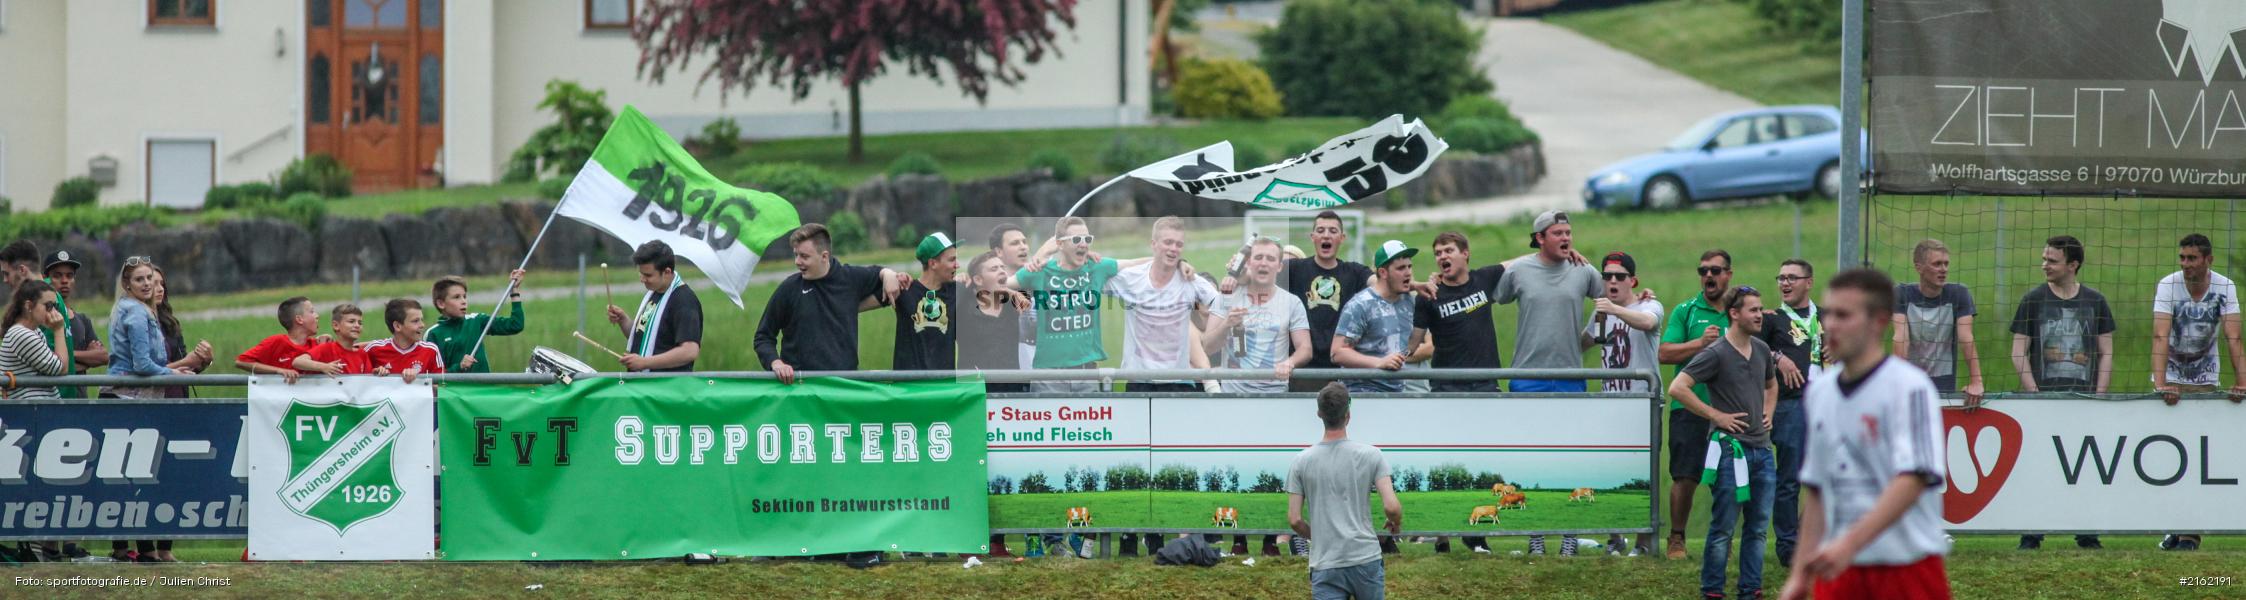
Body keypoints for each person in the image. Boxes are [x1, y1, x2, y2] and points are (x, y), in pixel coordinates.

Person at [1778, 268, 1952, 600]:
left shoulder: (1909, 387)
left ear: (1879, 321)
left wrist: (1849, 543)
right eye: (1828, 314)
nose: (1830, 325)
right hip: (1839, 569)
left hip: (1906, 569)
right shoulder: (1820, 392)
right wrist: (1799, 576)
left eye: (1843, 315)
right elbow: (1817, 488)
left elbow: (1913, 477)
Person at [1488, 211, 1603, 557]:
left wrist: (1587, 338)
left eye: (1569, 232)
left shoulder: (1584, 271)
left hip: (1570, 377)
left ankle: (1569, 534)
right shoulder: (1521, 271)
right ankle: (1536, 534)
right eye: (1558, 233)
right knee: (1532, 457)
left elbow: (1610, 300)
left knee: (1569, 457)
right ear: (1540, 238)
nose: (1566, 238)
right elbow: (1492, 294)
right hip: (1527, 378)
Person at [1669, 286, 1778, 600]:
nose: (1760, 315)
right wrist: (1715, 414)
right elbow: (1678, 387)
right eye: (1753, 310)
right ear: (1735, 314)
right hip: (1732, 452)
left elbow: (1771, 385)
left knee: (1757, 529)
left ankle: (1750, 590)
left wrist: (1768, 412)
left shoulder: (1760, 349)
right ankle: (1713, 591)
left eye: (1760, 309)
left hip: (1762, 450)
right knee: (1723, 528)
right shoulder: (1716, 352)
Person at [2007, 237, 2114, 552]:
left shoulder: (2095, 301)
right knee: (2038, 467)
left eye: (2052, 260)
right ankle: (2032, 532)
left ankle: (2086, 532)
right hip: (2042, 401)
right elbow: (2018, 352)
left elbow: (2106, 352)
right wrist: (2034, 394)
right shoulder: (2033, 300)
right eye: (2044, 258)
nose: (2045, 265)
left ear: (2073, 264)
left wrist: (2099, 395)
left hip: (2083, 401)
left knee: (2085, 467)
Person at [2150, 233, 2244, 552]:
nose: (2185, 264)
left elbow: (2233, 338)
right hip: (2172, 374)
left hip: (2204, 375)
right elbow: (2160, 334)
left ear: (2208, 260)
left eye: (2192, 258)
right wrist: (2161, 383)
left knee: (2195, 457)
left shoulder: (2225, 287)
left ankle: (2189, 534)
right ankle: (2175, 530)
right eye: (2182, 258)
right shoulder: (2168, 285)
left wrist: (2242, 382)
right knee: (2167, 458)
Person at [1286, 382, 1402, 600]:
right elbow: (1392, 507)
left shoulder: (1301, 461)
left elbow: (1294, 520)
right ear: (1348, 415)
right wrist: (1395, 522)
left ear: (1319, 414)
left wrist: (1318, 536)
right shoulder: (1372, 455)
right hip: (1365, 557)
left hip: (1325, 562)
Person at [1581, 251, 1663, 557]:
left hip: (1642, 402)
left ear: (1633, 280)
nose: (1612, 281)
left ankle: (1643, 543)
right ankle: (1615, 537)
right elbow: (1582, 343)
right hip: (1610, 403)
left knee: (1646, 472)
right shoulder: (1601, 312)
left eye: (1619, 276)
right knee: (1607, 472)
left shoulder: (1648, 303)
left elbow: (1647, 322)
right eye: (1607, 276)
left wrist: (1614, 308)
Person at [755, 224, 903, 383]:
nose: (797, 262)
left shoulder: (849, 278)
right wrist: (776, 363)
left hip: (843, 386)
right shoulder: (788, 289)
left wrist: (889, 274)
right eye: (795, 255)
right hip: (800, 387)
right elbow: (763, 337)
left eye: (804, 256)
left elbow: (881, 277)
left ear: (824, 256)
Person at [1659, 248, 1733, 560]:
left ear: (1728, 274)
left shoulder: (1739, 311)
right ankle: (1676, 538)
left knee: (1727, 478)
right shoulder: (1686, 311)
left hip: (1729, 411)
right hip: (1689, 408)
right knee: (1685, 476)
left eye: (1716, 271)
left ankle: (1723, 541)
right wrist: (1699, 344)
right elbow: (1664, 353)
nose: (1709, 276)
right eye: (1703, 271)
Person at [1758, 258, 1825, 564]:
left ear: (1808, 282)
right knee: (1790, 478)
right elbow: (1750, 348)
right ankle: (1788, 546)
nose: (1784, 283)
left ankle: (1812, 535)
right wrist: (1777, 357)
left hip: (1828, 403)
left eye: (1792, 278)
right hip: (1792, 404)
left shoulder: (1827, 317)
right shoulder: (1772, 319)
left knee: (1827, 475)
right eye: (1781, 278)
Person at [1009, 217, 1123, 393]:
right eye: (1077, 239)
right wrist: (1042, 252)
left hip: (1087, 374)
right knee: (1048, 421)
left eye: (1087, 239)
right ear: (1059, 244)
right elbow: (996, 284)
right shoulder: (1040, 271)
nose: (1084, 244)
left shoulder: (1097, 267)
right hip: (1048, 377)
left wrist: (1180, 263)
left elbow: (1143, 266)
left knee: (1089, 421)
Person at [1107, 216, 1218, 393]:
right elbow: (1095, 274)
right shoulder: (1131, 278)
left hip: (1180, 382)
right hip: (1139, 381)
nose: (1174, 249)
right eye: (1168, 242)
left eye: (1179, 244)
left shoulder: (1191, 281)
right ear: (1154, 244)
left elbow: (1222, 307)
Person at [1206, 237, 1311, 394]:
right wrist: (1227, 324)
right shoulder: (1228, 295)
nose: (1263, 263)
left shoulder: (1292, 302)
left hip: (1275, 393)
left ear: (1280, 266)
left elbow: (1305, 349)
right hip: (1233, 394)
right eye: (1258, 257)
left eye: (1270, 259)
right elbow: (1207, 347)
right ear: (1248, 263)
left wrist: (1290, 363)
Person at [1285, 211, 1374, 393]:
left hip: (1341, 370)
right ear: (1313, 237)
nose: (1326, 235)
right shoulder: (1295, 269)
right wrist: (1234, 273)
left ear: (1342, 238)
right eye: (1321, 230)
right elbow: (1259, 273)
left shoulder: (1354, 272)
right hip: (1303, 371)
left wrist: (1413, 284)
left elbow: (1381, 284)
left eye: (1333, 231)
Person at [1893, 239, 1985, 405]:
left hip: (1944, 386)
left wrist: (1976, 382)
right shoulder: (1902, 294)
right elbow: (1901, 338)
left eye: (1946, 264)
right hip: (1911, 385)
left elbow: (1966, 337)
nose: (1943, 269)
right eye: (1937, 264)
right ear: (1919, 267)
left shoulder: (1959, 294)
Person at [1331, 240, 1427, 395]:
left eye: (1409, 266)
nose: (1408, 272)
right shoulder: (1360, 305)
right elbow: (1337, 353)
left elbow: (1410, 347)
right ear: (1383, 272)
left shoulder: (1410, 301)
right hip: (1360, 393)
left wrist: (1427, 304)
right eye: (1401, 268)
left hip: (1398, 392)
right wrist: (1379, 362)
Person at [605, 241, 704, 373]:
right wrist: (623, 320)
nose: (642, 279)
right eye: (641, 273)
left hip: (665, 388)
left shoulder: (684, 300)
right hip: (645, 385)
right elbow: (646, 338)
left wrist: (645, 362)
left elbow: (689, 351)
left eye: (648, 275)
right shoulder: (655, 292)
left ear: (667, 272)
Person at [106, 257, 194, 399]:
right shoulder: (136, 311)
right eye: (139, 279)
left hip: (119, 392)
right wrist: (173, 374)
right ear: (126, 283)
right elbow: (142, 365)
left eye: (149, 278)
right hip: (128, 397)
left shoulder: (122, 306)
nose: (146, 284)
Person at [427, 270, 528, 373]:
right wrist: (459, 367)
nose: (463, 301)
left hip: (484, 387)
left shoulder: (476, 320)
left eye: (464, 296)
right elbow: (433, 376)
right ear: (441, 303)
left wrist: (514, 290)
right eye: (456, 297)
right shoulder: (433, 333)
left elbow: (516, 325)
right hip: (454, 389)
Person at [43, 251, 109, 399]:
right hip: (52, 398)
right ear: (45, 279)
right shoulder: (42, 319)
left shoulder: (82, 319)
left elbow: (103, 356)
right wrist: (83, 360)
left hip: (80, 399)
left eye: (69, 275)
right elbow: (43, 361)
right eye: (57, 275)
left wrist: (65, 359)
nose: (64, 280)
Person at [959, 251, 1028, 392]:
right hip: (974, 392)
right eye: (994, 269)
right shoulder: (962, 308)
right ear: (978, 280)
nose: (1001, 271)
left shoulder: (1014, 303)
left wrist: (1010, 292)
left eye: (1002, 267)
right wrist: (958, 283)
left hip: (1013, 391)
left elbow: (1030, 306)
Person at [894, 233, 959, 371]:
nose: (957, 265)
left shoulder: (956, 290)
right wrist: (889, 276)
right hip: (909, 387)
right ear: (933, 263)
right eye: (952, 260)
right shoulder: (904, 290)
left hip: (944, 386)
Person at [151, 267, 215, 401]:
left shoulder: (170, 323)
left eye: (162, 284)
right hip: (151, 401)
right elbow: (145, 371)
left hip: (177, 398)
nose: (160, 289)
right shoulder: (136, 325)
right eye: (154, 284)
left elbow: (185, 368)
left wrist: (204, 361)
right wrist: (186, 361)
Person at [2, 280, 70, 400]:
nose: (54, 312)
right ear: (29, 306)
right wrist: (59, 329)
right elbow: (62, 369)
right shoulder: (22, 335)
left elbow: (54, 364)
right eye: (48, 306)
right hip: (31, 412)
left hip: (38, 410)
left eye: (55, 306)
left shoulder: (34, 331)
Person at [237, 297, 321, 383]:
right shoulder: (275, 342)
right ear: (299, 319)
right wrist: (279, 371)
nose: (317, 316)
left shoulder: (319, 345)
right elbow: (241, 362)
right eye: (312, 311)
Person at [364, 299, 444, 383]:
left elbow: (443, 386)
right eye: (415, 321)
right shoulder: (374, 349)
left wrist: (419, 380)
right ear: (397, 326)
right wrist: (374, 374)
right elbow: (357, 380)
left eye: (422, 320)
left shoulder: (431, 350)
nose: (422, 325)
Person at [295, 304, 377, 376]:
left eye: (360, 323)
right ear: (336, 325)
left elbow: (367, 379)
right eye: (351, 321)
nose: (357, 325)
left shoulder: (362, 354)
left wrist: (377, 371)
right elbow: (298, 362)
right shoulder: (326, 349)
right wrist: (324, 367)